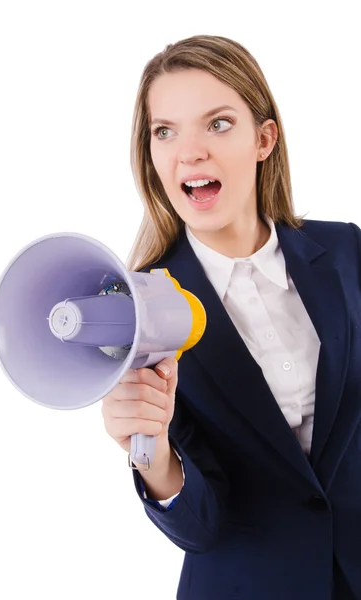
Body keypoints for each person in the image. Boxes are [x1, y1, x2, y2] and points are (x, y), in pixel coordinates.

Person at [101, 35, 361, 600]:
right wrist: (153, 451)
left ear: (264, 138)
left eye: (217, 124)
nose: (189, 152)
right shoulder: (139, 310)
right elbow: (201, 525)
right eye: (164, 131)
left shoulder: (347, 255)